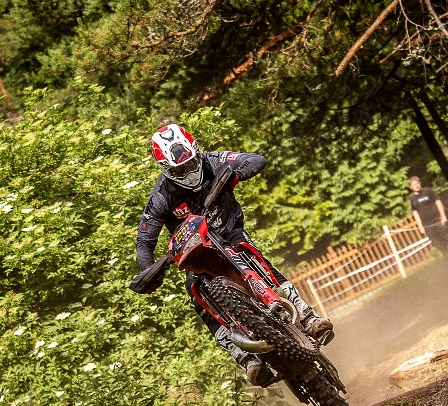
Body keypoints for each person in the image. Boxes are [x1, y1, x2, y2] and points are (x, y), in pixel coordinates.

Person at [133, 123, 333, 385]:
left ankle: (308, 317)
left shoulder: (214, 161)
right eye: (179, 169)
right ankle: (247, 360)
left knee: (260, 263)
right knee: (197, 296)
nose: (188, 171)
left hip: (230, 235)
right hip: (197, 255)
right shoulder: (161, 195)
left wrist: (238, 173)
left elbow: (255, 159)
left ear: (196, 152)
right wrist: (149, 270)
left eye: (190, 163)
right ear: (166, 169)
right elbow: (144, 240)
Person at [408, 175, 448, 253]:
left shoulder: (428, 191)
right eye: (414, 184)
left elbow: (438, 201)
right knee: (437, 243)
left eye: (418, 183)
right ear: (410, 187)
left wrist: (443, 216)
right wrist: (420, 226)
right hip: (427, 225)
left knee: (447, 238)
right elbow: (415, 212)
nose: (417, 185)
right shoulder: (412, 198)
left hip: (438, 220)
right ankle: (447, 255)